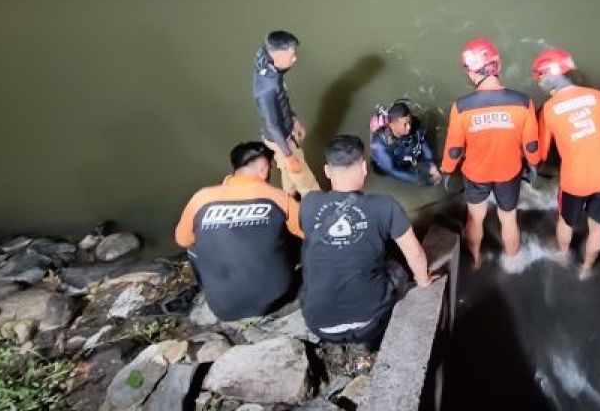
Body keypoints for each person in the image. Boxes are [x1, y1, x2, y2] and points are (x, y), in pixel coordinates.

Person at [300, 135, 434, 346]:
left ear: (327, 171)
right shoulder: (384, 205)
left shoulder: (308, 203)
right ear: (364, 167)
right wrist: (424, 282)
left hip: (320, 325)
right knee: (395, 264)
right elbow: (415, 253)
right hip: (369, 324)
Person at [174, 141, 303, 322]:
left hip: (224, 308)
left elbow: (182, 240)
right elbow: (311, 233)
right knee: (291, 229)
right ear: (263, 168)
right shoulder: (279, 197)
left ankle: (219, 288)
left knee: (192, 245)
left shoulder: (201, 198)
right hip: (278, 298)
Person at [441, 38, 541, 267]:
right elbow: (531, 146)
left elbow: (454, 148)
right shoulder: (523, 102)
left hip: (476, 174)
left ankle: (475, 260)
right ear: (498, 65)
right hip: (509, 172)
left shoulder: (461, 106)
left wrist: (447, 169)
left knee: (475, 218)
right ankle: (513, 261)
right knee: (508, 218)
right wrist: (533, 164)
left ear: (470, 72)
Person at [533, 49, 600, 279]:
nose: (540, 82)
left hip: (575, 180)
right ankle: (586, 268)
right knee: (598, 228)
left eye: (540, 77)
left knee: (565, 221)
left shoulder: (549, 109)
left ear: (547, 78)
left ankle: (562, 255)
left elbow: (540, 152)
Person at [253, 30, 321, 197]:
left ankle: (288, 197)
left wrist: (293, 118)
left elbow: (281, 100)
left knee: (289, 173)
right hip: (280, 138)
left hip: (283, 131)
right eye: (291, 55)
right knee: (307, 182)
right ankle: (316, 211)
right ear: (276, 55)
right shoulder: (266, 89)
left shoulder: (268, 62)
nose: (295, 58)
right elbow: (272, 124)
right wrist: (289, 155)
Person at [370, 101, 442, 186]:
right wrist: (418, 180)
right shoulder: (379, 145)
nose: (409, 127)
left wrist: (431, 163)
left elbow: (422, 142)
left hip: (404, 150)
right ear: (392, 125)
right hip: (389, 165)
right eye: (405, 124)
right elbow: (392, 171)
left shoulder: (414, 124)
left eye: (410, 122)